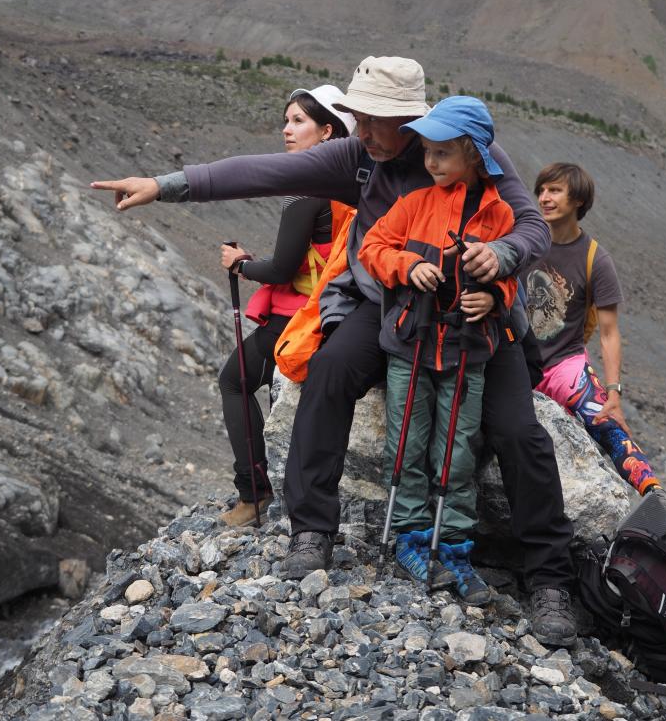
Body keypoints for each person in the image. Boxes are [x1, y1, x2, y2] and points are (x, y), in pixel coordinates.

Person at [91, 56, 577, 647]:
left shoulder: (473, 153)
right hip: (389, 303)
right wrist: (165, 186)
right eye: (356, 117)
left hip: (474, 313)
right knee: (327, 375)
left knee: (519, 433)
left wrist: (498, 262)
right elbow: (262, 172)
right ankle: (311, 530)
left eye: (374, 120)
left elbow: (530, 227)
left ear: (412, 121)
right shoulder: (356, 157)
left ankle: (549, 579)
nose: (361, 130)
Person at [358, 97, 517, 604]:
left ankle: (453, 549)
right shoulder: (415, 203)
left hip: (468, 349)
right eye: (427, 151)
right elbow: (372, 248)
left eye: (442, 153)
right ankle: (409, 538)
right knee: (406, 442)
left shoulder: (501, 214)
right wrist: (407, 265)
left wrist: (493, 295)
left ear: (473, 154)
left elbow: (514, 279)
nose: (430, 162)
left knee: (458, 449)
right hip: (412, 343)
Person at [218, 85, 355, 527]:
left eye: (299, 121)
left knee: (235, 381)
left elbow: (280, 270)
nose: (286, 130)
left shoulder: (307, 190)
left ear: (328, 131)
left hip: (298, 317)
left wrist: (240, 264)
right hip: (342, 311)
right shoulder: (352, 184)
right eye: (287, 120)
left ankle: (252, 493)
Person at [525, 162, 660, 497]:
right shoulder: (524, 241)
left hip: (563, 366)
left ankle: (654, 497)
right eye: (541, 190)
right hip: (515, 359)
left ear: (579, 201)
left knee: (607, 422)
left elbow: (610, 333)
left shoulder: (595, 259)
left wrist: (613, 393)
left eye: (554, 190)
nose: (544, 197)